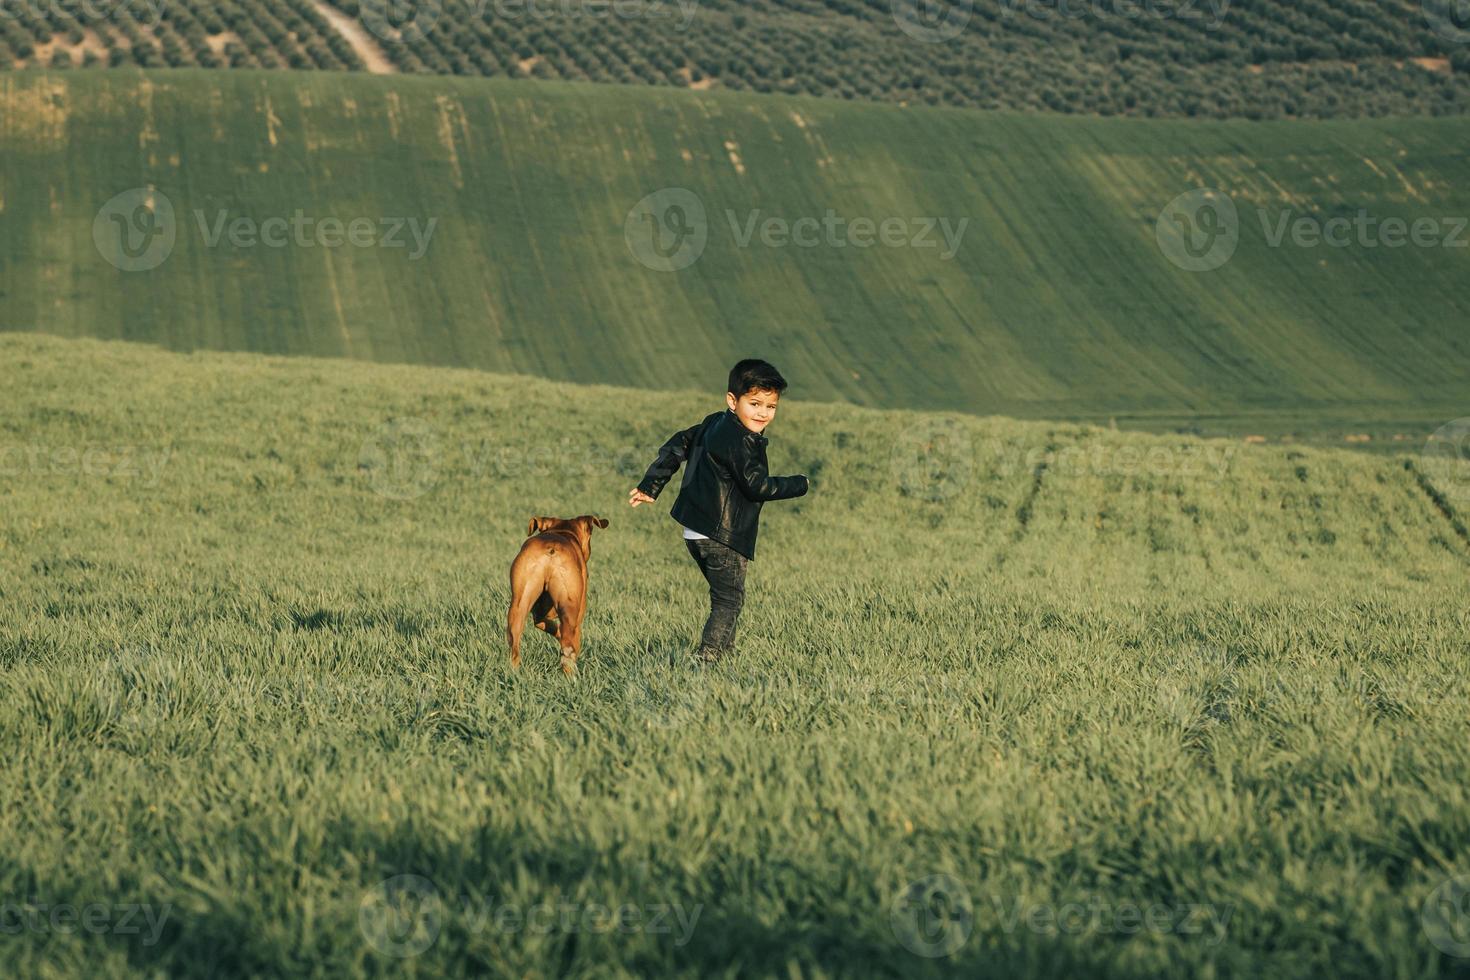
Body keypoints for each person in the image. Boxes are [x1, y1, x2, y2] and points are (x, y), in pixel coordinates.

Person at [628, 359, 810, 663]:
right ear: (732, 400)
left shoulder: (715, 422)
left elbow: (678, 443)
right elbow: (757, 486)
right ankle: (707, 662)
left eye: (771, 406)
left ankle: (724, 658)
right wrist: (799, 484)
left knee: (727, 598)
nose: (763, 413)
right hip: (722, 535)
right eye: (754, 403)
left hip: (695, 531)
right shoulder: (742, 440)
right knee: (728, 601)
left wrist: (651, 484)